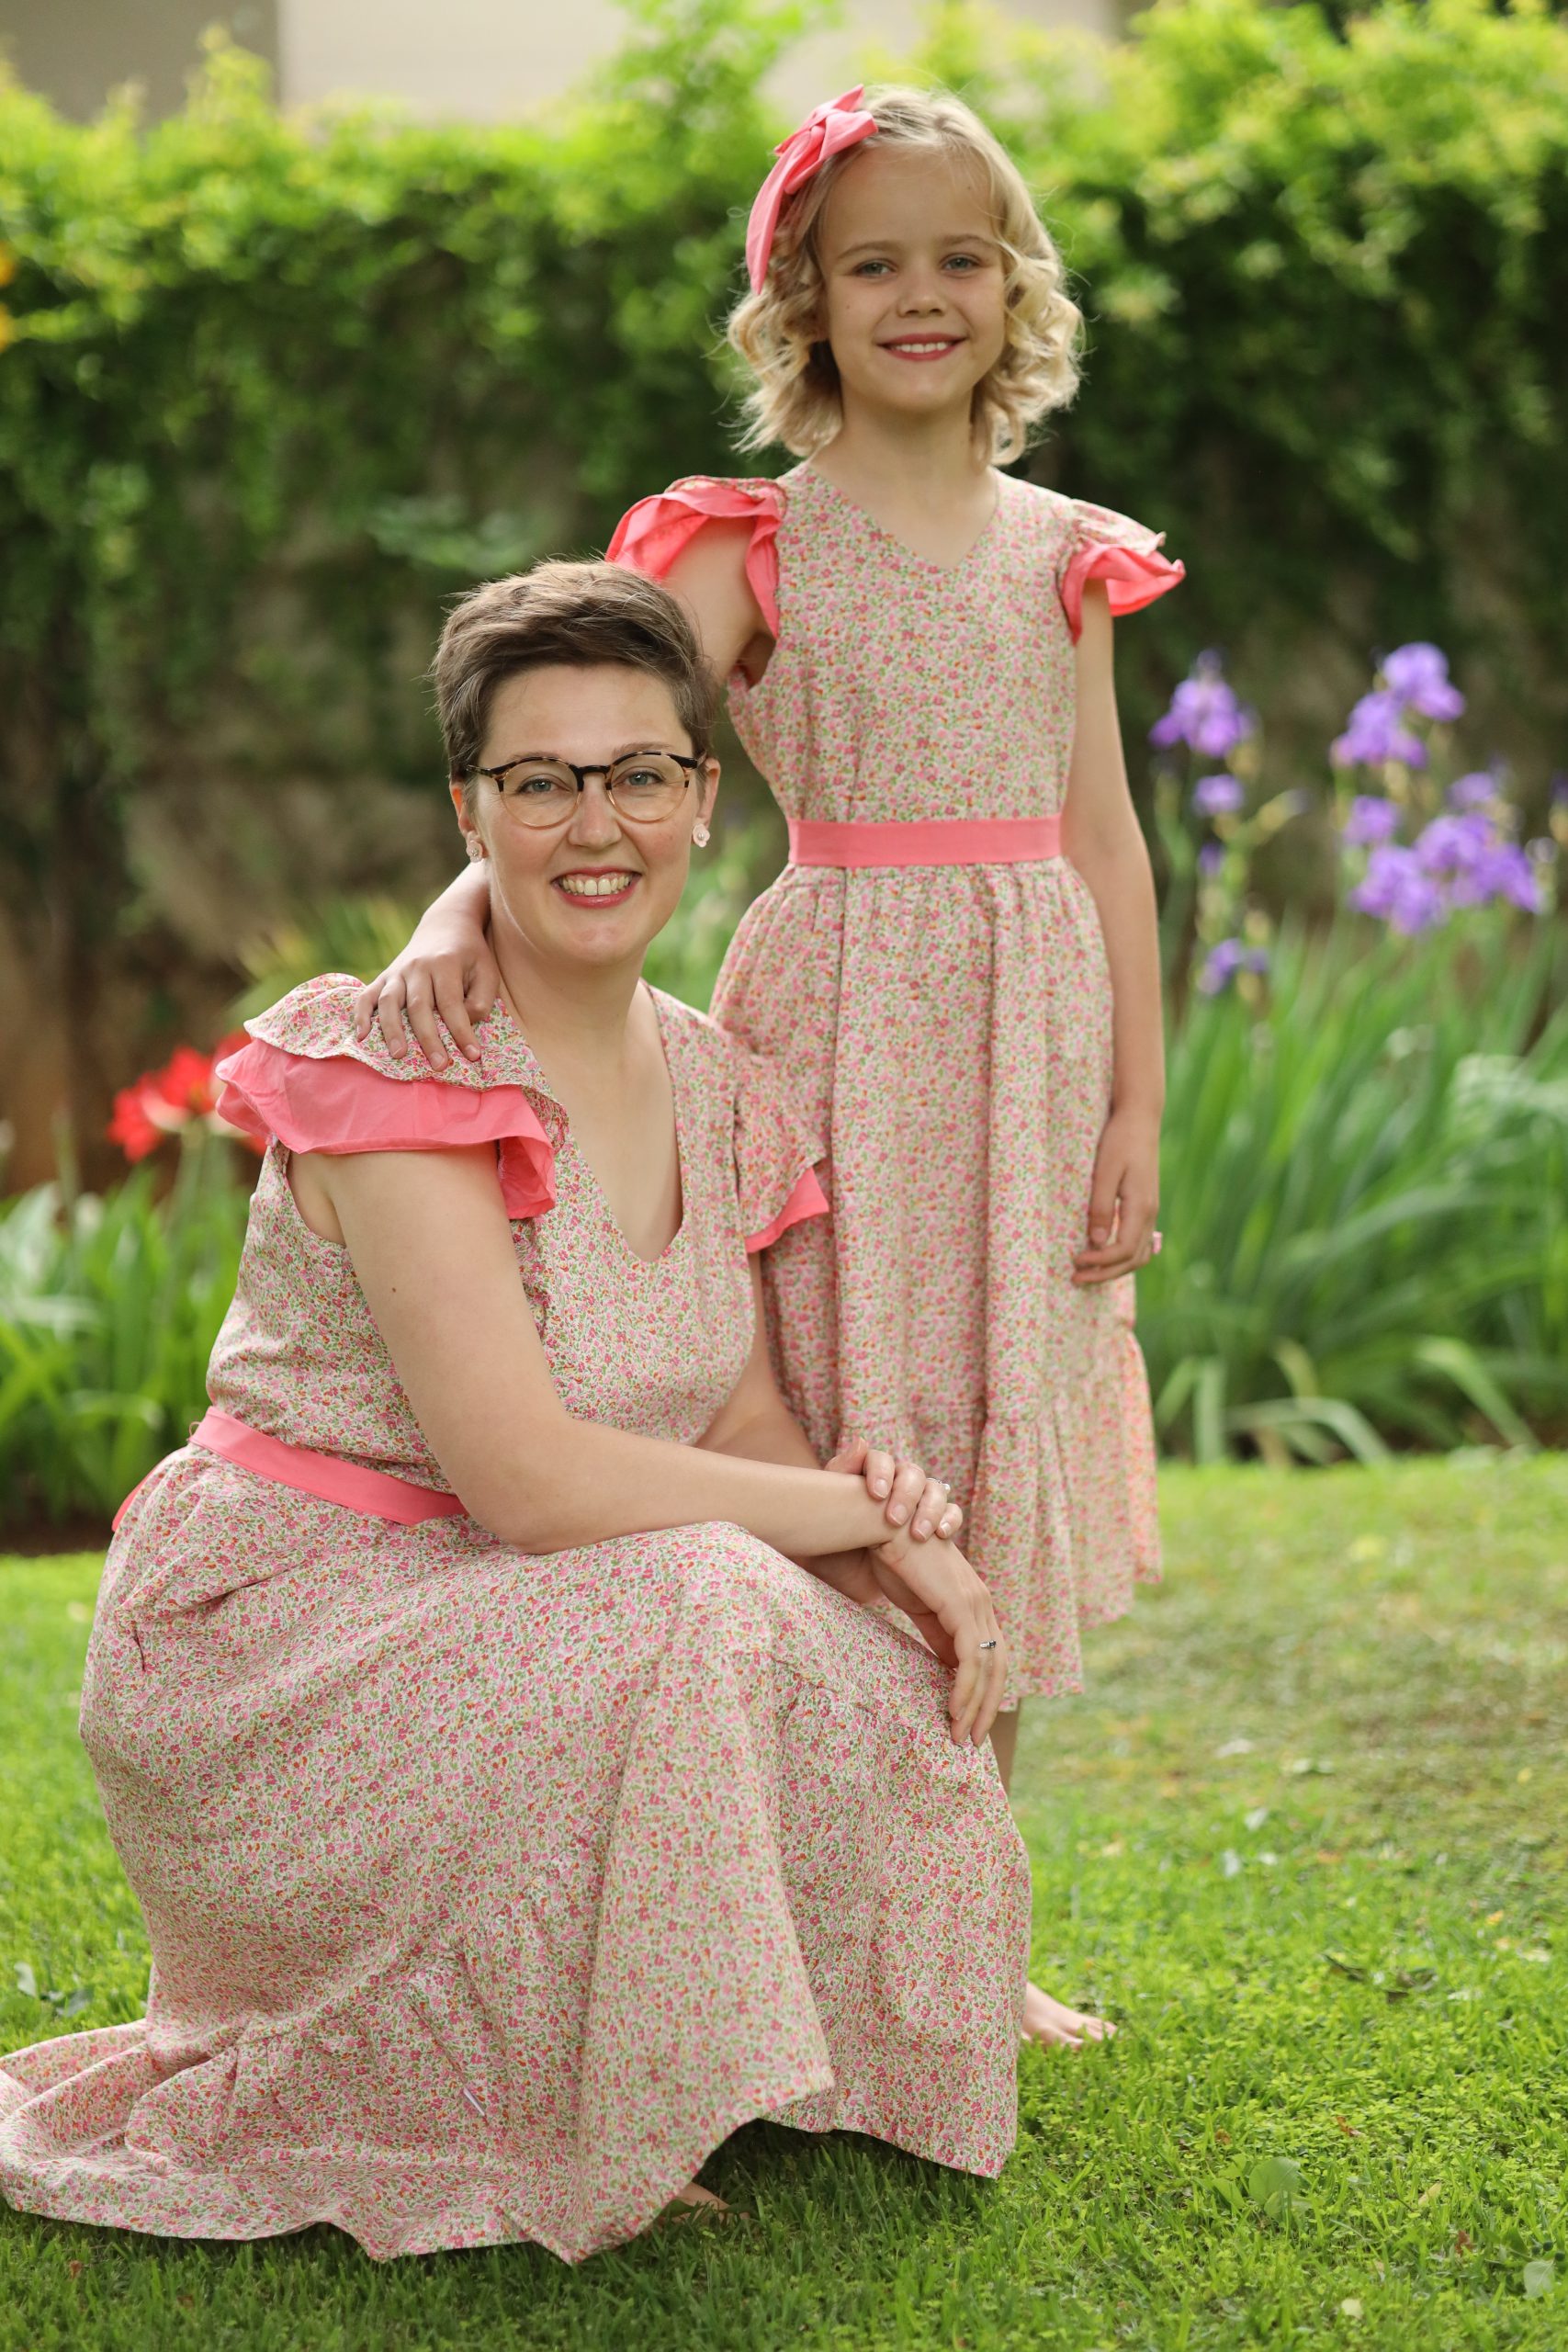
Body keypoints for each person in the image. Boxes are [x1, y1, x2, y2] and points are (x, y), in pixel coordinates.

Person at [0, 563, 1030, 2265]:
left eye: (639, 773)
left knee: (859, 1643)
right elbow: (531, 1482)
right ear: (467, 812)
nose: (595, 824)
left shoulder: (714, 1078)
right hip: (287, 1635)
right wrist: (863, 1515)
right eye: (540, 781)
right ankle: (545, 2082)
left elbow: (742, 1421)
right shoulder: (396, 1071)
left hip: (514, 1605)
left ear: (705, 797)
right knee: (703, 1596)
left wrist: (893, 1556)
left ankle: (734, 2050)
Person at [350, 86, 1183, 2051]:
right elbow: (591, 733)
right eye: (871, 263)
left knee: (990, 1434)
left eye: (959, 258)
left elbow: (1104, 833)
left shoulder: (1066, 554)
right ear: (803, 301)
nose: (920, 295)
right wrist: (453, 913)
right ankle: (796, 1898)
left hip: (1033, 1034)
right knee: (849, 1414)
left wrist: (1135, 1101)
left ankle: (961, 1922)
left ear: (1016, 287)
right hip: (842, 1013)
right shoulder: (760, 542)